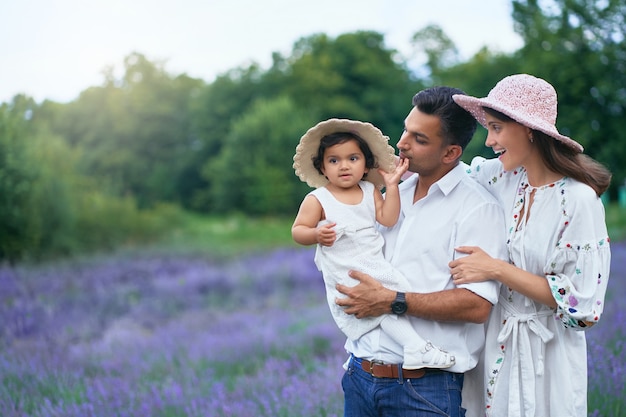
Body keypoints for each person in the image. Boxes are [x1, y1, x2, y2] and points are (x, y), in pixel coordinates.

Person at [334, 88, 509, 417]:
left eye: (419, 139)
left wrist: (391, 300)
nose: (402, 143)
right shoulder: (392, 191)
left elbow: (476, 305)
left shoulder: (476, 208)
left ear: (450, 152)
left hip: (423, 390)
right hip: (359, 376)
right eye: (405, 130)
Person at [448, 73, 612, 417]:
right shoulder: (497, 177)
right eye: (488, 128)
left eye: (496, 128)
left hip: (549, 356)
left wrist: (495, 268)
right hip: (493, 346)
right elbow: (446, 171)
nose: (489, 140)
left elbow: (583, 307)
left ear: (528, 129)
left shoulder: (579, 201)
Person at [291, 118, 455, 370]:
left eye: (352, 159)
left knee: (387, 299)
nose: (343, 166)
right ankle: (415, 347)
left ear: (366, 164)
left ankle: (399, 350)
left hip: (371, 261)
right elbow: (298, 231)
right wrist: (315, 235)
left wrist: (392, 186)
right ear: (322, 168)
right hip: (345, 268)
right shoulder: (318, 199)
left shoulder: (369, 191)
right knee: (377, 305)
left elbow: (388, 219)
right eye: (333, 161)